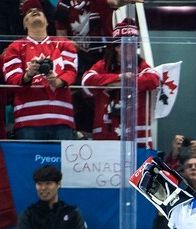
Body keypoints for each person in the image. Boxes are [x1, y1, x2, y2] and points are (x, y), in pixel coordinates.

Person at [56, 0, 143, 134]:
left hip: (103, 54)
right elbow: (60, 37)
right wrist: (69, 44)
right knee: (78, 92)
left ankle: (101, 128)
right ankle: (79, 130)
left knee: (103, 91)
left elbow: (115, 2)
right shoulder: (63, 5)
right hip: (78, 57)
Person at [2, 0, 77, 140]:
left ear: (47, 22)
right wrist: (28, 74)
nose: (34, 12)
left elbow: (71, 73)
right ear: (24, 24)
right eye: (29, 12)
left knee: (61, 162)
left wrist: (57, 81)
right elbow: (11, 80)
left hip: (62, 117)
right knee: (29, 162)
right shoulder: (15, 47)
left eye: (39, 11)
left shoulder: (64, 44)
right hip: (28, 120)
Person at [81, 18, 160, 147]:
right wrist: (119, 77)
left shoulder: (141, 66)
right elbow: (86, 82)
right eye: (128, 44)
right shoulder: (103, 65)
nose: (132, 48)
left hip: (137, 135)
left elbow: (153, 79)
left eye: (134, 45)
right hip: (106, 133)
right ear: (117, 47)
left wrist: (118, 84)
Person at [17, 165, 87, 229]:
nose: (43, 188)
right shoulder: (28, 215)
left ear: (58, 184)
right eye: (39, 183)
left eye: (48, 183)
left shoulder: (73, 213)